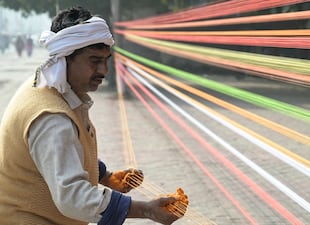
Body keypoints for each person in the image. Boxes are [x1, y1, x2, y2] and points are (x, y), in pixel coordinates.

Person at [0, 6, 185, 225]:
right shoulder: (51, 119)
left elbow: (63, 152)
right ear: (65, 58)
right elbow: (73, 197)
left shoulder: (46, 87)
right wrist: (146, 210)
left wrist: (106, 177)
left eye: (106, 60)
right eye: (94, 61)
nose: (104, 71)